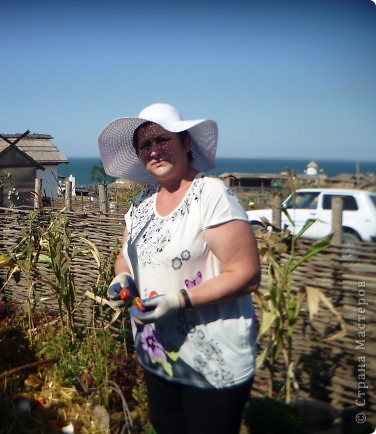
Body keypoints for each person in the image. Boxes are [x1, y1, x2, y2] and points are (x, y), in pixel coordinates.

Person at [98, 103, 261, 434]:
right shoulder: (140, 203)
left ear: (186, 142)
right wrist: (121, 277)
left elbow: (245, 273)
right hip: (159, 356)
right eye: (145, 144)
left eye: (162, 139)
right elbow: (125, 256)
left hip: (212, 363)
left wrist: (177, 301)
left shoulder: (210, 195)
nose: (154, 150)